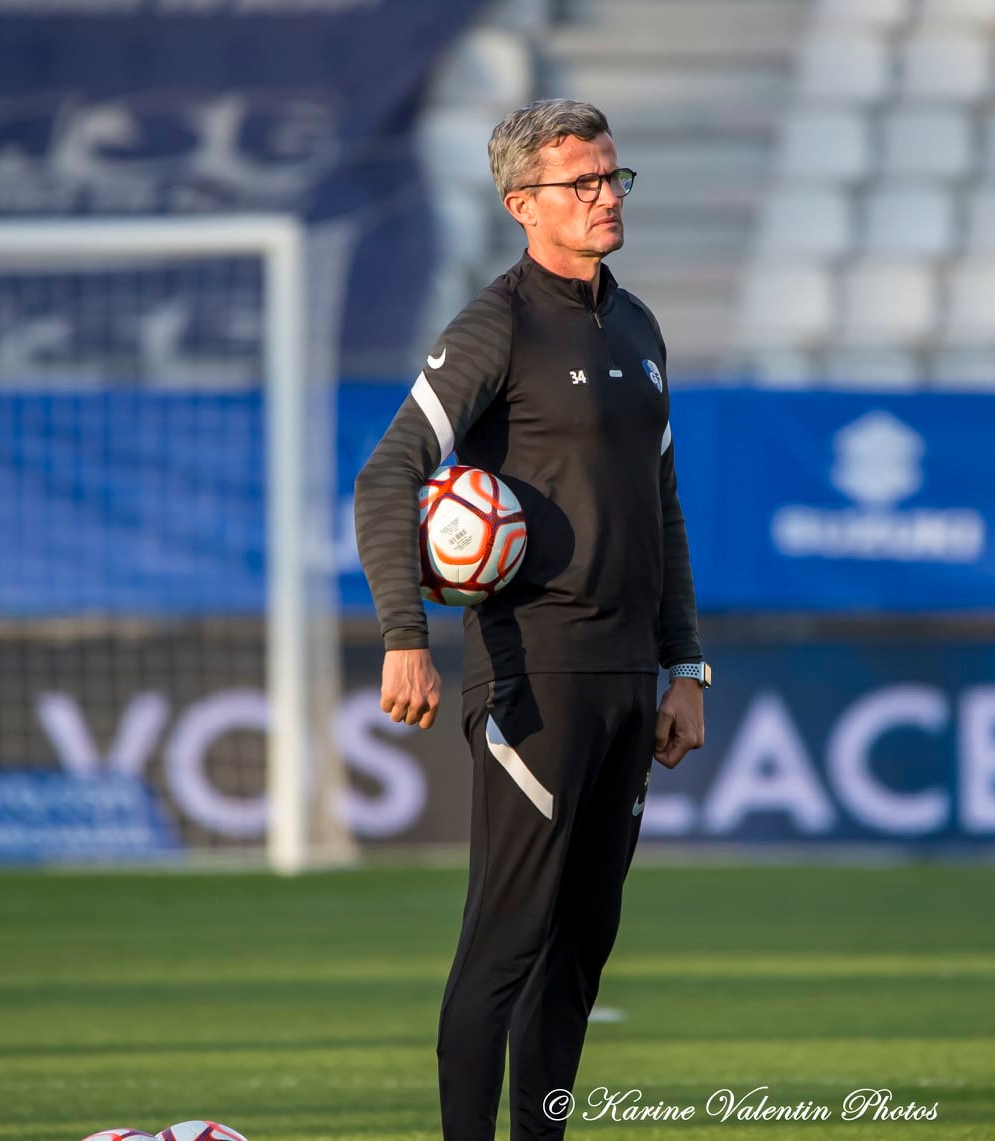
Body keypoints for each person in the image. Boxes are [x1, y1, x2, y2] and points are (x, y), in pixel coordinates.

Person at [352, 98, 711, 1140]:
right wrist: (404, 635)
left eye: (613, 178)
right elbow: (387, 480)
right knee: (508, 942)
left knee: (579, 950)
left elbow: (664, 501)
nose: (606, 197)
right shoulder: (494, 323)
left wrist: (684, 666)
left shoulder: (637, 323)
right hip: (532, 678)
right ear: (522, 205)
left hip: (625, 680)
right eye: (582, 184)